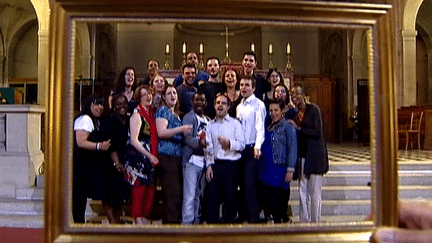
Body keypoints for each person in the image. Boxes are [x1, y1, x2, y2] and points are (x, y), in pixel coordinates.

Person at [290, 85, 329, 223]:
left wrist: (299, 128)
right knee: (302, 193)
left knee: (315, 193)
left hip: (315, 156)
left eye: (297, 93)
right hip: (302, 157)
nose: (294, 96)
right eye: (292, 94)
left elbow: (318, 132)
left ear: (303, 95)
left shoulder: (314, 109)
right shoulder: (295, 115)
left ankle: (315, 222)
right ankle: (304, 222)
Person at [205, 93, 245, 223]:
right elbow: (208, 147)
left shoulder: (235, 124)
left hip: (231, 166)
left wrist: (229, 144)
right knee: (212, 201)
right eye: (218, 103)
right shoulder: (210, 125)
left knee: (230, 200)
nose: (220, 106)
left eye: (223, 103)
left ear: (228, 106)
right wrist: (209, 165)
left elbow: (242, 145)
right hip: (215, 166)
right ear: (214, 106)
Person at [91, 94, 131, 224]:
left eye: (124, 103)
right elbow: (109, 144)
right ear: (114, 106)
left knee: (118, 195)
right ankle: (113, 222)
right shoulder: (110, 120)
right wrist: (116, 162)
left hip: (122, 161)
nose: (122, 106)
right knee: (108, 195)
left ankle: (117, 221)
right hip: (108, 163)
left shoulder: (129, 120)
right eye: (118, 104)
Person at [155, 84, 192, 224]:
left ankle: (173, 223)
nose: (172, 95)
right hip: (167, 156)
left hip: (177, 157)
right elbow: (162, 132)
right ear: (164, 97)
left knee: (177, 193)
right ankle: (170, 226)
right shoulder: (163, 110)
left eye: (174, 93)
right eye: (169, 93)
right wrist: (181, 129)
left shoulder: (176, 113)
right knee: (172, 193)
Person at [73, 95, 111, 223]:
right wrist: (100, 146)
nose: (100, 107)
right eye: (96, 104)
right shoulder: (84, 119)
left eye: (101, 105)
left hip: (87, 167)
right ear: (89, 105)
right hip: (79, 166)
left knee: (81, 199)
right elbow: (81, 142)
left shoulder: (96, 120)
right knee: (79, 200)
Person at [258, 100, 297, 223]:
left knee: (278, 200)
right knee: (266, 197)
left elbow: (292, 148)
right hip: (266, 168)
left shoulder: (288, 127)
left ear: (282, 111)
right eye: (271, 110)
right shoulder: (269, 126)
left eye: (276, 110)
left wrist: (290, 170)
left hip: (279, 169)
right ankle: (282, 219)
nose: (273, 113)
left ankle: (282, 221)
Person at [128, 85, 160, 225]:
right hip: (139, 157)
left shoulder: (152, 113)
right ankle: (138, 218)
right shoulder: (137, 115)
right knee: (139, 189)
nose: (148, 97)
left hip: (150, 156)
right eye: (144, 95)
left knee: (150, 188)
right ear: (138, 98)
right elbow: (134, 141)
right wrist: (148, 155)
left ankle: (144, 216)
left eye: (150, 94)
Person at [236, 77, 266, 223]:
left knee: (250, 187)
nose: (243, 87)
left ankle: (253, 220)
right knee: (241, 185)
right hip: (240, 151)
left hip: (252, 149)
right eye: (241, 85)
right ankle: (243, 218)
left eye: (247, 85)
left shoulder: (258, 104)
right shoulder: (239, 106)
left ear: (253, 88)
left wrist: (257, 147)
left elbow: (260, 128)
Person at [181, 92, 209, 224]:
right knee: (189, 196)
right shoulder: (189, 117)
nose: (199, 102)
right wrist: (199, 143)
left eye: (202, 100)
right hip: (191, 161)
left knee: (198, 195)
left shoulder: (208, 119)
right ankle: (186, 225)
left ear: (206, 103)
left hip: (204, 162)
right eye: (196, 100)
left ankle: (196, 223)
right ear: (192, 102)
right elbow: (186, 139)